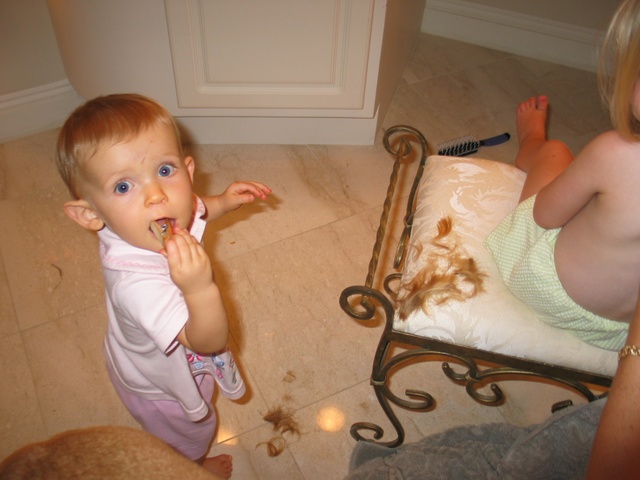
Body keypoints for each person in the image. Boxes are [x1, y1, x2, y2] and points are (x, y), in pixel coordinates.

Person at [55, 93, 271, 478]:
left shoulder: (149, 220)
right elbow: (208, 342)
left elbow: (193, 207)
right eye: (124, 187)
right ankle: (189, 467)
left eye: (166, 170)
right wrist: (199, 288)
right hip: (160, 388)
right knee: (188, 435)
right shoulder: (137, 286)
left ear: (188, 172)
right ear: (91, 214)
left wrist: (221, 202)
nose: (156, 195)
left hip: (141, 350)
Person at [484, 0, 640, 352]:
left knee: (558, 154)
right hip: (621, 331)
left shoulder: (615, 152)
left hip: (551, 290)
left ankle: (532, 144)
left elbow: (544, 215)